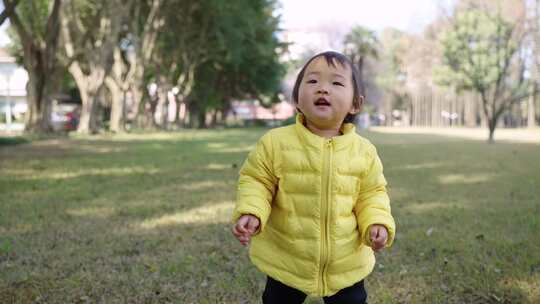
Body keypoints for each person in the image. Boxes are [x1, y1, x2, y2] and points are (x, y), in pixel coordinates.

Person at [231, 51, 396, 304]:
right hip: (287, 256)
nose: (323, 89)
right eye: (312, 81)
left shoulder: (364, 151)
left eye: (336, 83)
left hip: (346, 260)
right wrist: (252, 211)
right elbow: (257, 181)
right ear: (297, 99)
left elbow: (372, 194)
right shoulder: (276, 143)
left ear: (355, 103)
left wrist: (377, 222)